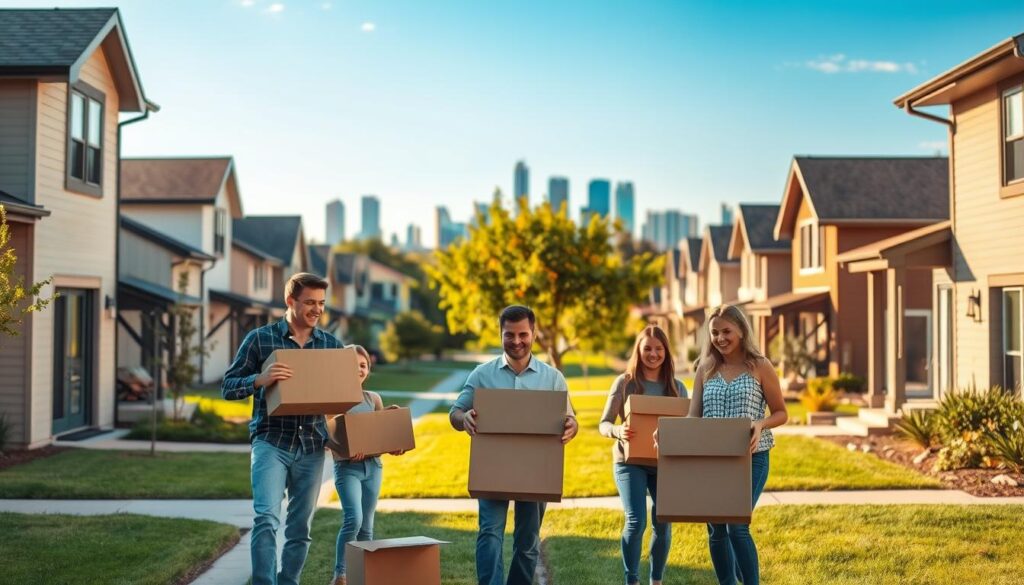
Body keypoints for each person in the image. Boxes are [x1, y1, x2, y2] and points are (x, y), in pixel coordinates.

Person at [222, 272, 341, 585]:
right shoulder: (260, 339)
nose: (317, 309)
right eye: (310, 303)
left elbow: (347, 394)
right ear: (290, 301)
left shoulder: (330, 345)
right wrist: (259, 379)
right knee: (266, 519)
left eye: (322, 303)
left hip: (312, 446)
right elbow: (228, 387)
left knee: (300, 528)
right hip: (271, 442)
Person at [449, 305, 579, 585]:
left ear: (533, 333)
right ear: (501, 334)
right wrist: (465, 418)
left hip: (536, 471)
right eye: (510, 335)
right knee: (490, 534)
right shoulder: (482, 375)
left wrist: (572, 426)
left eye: (523, 334)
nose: (517, 341)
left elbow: (570, 418)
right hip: (493, 467)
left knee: (528, 540)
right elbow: (455, 413)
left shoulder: (552, 378)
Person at [687, 305, 787, 585]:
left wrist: (760, 423)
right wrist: (671, 435)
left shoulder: (760, 366)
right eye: (715, 332)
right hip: (713, 460)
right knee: (717, 529)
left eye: (727, 331)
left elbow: (781, 412)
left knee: (736, 526)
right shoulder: (705, 367)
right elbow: (693, 416)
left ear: (742, 330)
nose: (720, 338)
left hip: (751, 457)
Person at [599, 325, 688, 585]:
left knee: (663, 521)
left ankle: (656, 580)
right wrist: (617, 430)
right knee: (636, 521)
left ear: (666, 352)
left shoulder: (677, 388)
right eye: (647, 348)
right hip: (629, 462)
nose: (653, 354)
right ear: (638, 350)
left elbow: (687, 427)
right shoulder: (625, 383)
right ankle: (632, 580)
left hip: (664, 462)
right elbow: (603, 423)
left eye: (659, 349)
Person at [328, 344, 407, 585]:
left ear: (368, 370)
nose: (359, 370)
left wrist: (394, 443)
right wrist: (348, 450)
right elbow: (328, 439)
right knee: (354, 518)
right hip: (347, 468)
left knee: (367, 527)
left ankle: (362, 577)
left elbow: (380, 435)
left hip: (373, 467)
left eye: (362, 365)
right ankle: (340, 574)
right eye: (352, 366)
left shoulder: (373, 399)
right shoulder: (333, 402)